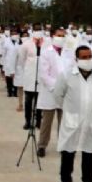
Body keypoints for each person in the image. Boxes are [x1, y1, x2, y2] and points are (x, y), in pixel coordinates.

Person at [54, 45, 92, 182]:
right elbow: (58, 95)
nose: (87, 60)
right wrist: (71, 110)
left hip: (91, 121)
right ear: (76, 59)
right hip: (72, 121)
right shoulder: (67, 75)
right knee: (68, 153)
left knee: (89, 153)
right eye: (83, 57)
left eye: (89, 56)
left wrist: (91, 107)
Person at [38, 27, 75, 158]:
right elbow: (44, 74)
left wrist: (65, 86)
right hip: (50, 92)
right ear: (53, 36)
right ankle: (42, 145)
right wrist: (56, 87)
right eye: (58, 35)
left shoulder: (69, 52)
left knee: (64, 121)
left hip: (65, 92)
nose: (61, 38)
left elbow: (71, 70)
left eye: (63, 36)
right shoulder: (46, 52)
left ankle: (63, 145)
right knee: (46, 121)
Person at [18, 25, 45, 132]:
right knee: (28, 101)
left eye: (39, 30)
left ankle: (38, 121)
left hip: (41, 76)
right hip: (30, 76)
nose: (38, 32)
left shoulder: (47, 43)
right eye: (36, 30)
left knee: (40, 101)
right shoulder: (26, 44)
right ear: (33, 31)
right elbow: (22, 59)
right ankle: (28, 121)